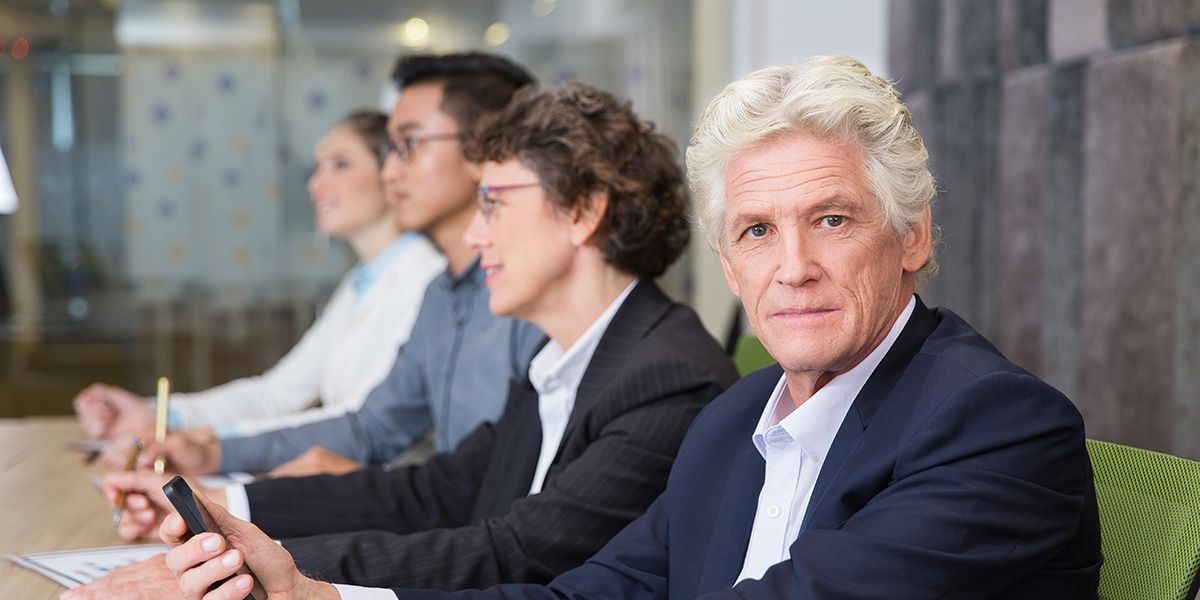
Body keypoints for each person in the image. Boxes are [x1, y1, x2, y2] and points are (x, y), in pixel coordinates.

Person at [157, 55, 1102, 599]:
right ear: (727, 261)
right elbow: (587, 593)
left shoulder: (996, 426)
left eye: (832, 220)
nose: (792, 266)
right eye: (757, 232)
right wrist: (316, 593)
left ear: (912, 236)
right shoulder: (735, 422)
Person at [64, 82, 739, 600]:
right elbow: (433, 492)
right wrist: (229, 513)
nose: (475, 235)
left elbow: (517, 553)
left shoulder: (666, 376)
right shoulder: (560, 357)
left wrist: (279, 571)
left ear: (584, 211)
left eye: (495, 203)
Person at [110, 52, 545, 481]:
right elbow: (371, 427)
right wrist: (214, 453)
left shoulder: (522, 292)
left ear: (486, 148)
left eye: (409, 146)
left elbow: (494, 487)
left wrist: (215, 453)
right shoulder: (440, 295)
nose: (390, 172)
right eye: (390, 150)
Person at [73, 110, 445, 451]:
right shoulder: (362, 281)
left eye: (341, 164)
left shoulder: (425, 280)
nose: (316, 183)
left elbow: (360, 426)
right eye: (318, 167)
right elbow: (274, 395)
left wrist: (203, 444)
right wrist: (155, 415)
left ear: (392, 173)